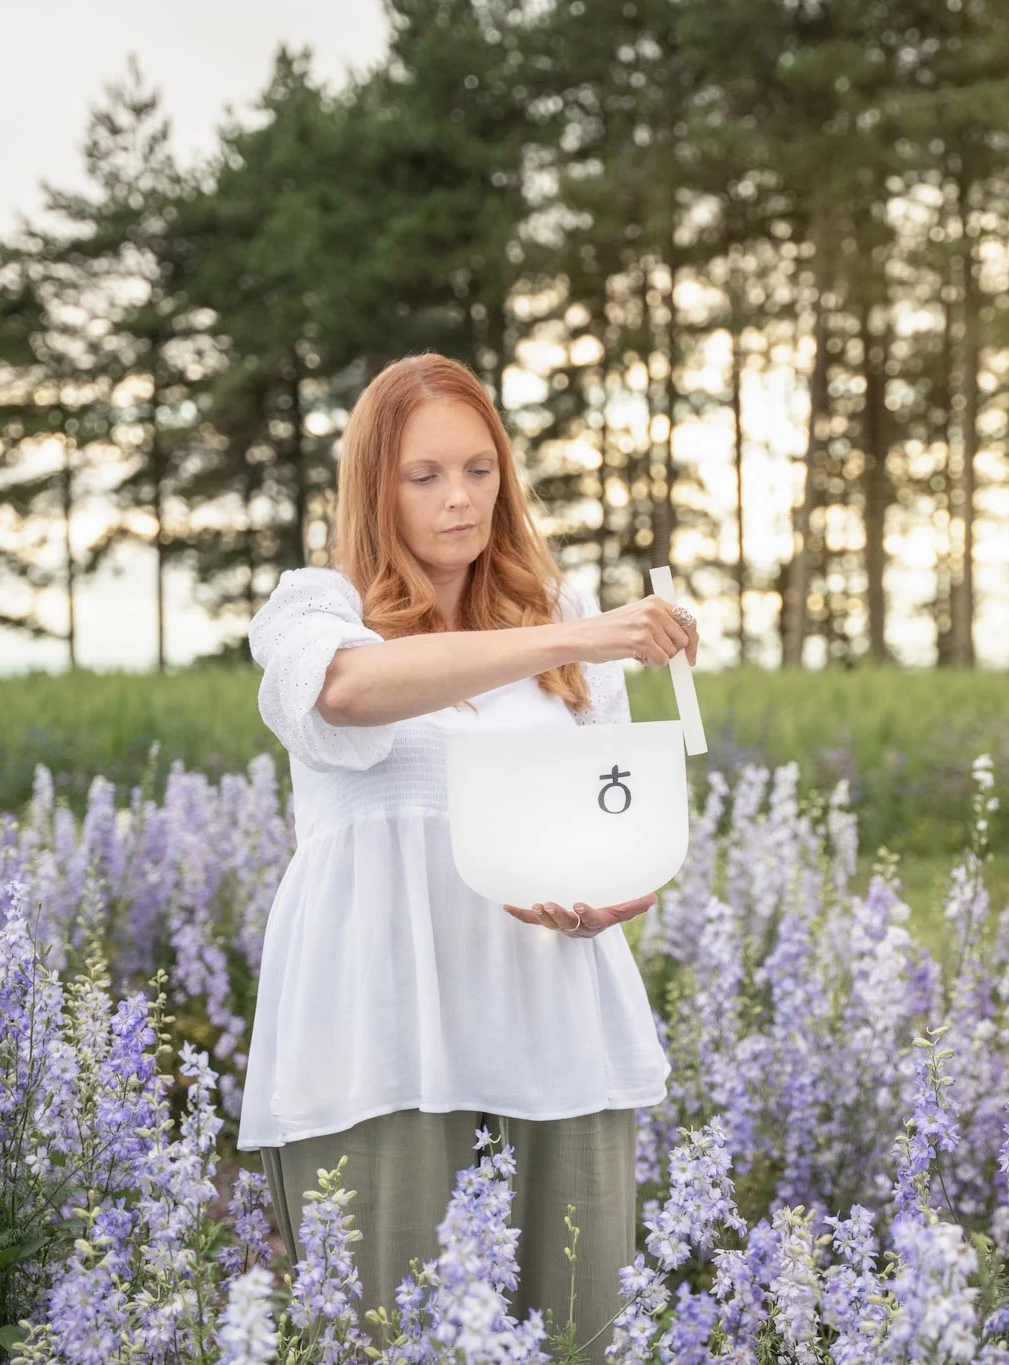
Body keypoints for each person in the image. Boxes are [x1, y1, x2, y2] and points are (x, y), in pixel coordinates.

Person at [236, 351, 697, 1361]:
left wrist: (615, 891)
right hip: (378, 1026)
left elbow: (601, 808)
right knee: (378, 1334)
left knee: (578, 1332)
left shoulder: (565, 616)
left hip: (552, 1011)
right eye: (424, 475)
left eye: (479, 470)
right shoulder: (316, 611)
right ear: (374, 487)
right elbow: (353, 695)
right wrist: (561, 638)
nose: (459, 499)